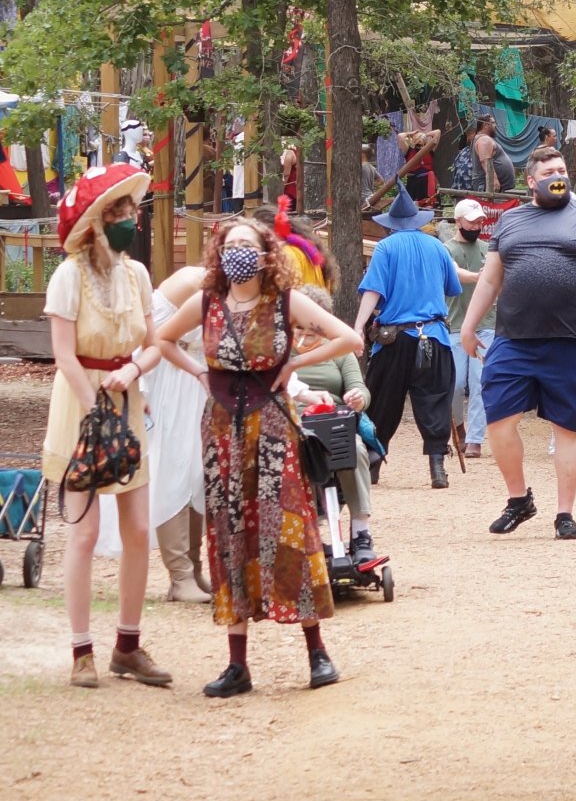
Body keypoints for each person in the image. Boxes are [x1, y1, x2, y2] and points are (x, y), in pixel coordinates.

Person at [154, 217, 365, 695]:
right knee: (231, 533)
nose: (239, 253)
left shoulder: (285, 302)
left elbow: (349, 339)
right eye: (231, 245)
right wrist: (199, 373)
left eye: (248, 245)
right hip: (223, 430)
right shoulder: (206, 301)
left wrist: (294, 362)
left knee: (289, 528)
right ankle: (237, 664)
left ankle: (317, 652)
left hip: (272, 428)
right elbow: (161, 339)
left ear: (267, 252)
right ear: (218, 253)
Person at [459, 146, 576, 541]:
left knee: (566, 429)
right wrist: (469, 327)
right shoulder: (511, 221)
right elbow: (489, 279)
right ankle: (519, 499)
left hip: (570, 341)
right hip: (514, 339)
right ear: (531, 181)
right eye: (550, 171)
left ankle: (564, 513)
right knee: (499, 418)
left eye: (563, 170)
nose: (560, 176)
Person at [43, 164, 168, 688]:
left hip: (126, 399)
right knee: (85, 531)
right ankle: (81, 652)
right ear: (96, 220)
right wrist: (94, 404)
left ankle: (128, 646)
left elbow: (155, 343)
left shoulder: (136, 274)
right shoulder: (69, 275)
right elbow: (63, 354)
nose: (129, 219)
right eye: (118, 211)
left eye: (130, 210)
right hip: (81, 408)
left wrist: (133, 371)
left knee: (139, 528)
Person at [355, 187, 461, 490]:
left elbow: (374, 291)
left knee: (382, 402)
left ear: (391, 223)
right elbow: (451, 288)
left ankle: (374, 462)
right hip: (435, 336)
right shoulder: (438, 247)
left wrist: (358, 325)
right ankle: (437, 466)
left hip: (395, 339)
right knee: (436, 400)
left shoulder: (386, 248)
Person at [286, 285, 383, 569]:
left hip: (333, 420)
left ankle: (360, 532)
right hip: (294, 421)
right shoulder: (280, 350)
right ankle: (307, 534)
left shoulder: (339, 352)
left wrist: (356, 398)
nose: (307, 335)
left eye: (314, 328)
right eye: (300, 327)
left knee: (353, 449)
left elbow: (361, 390)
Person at [139, 263, 210, 602]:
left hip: (197, 381)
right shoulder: (190, 282)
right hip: (168, 379)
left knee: (197, 472)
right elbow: (147, 333)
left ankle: (195, 568)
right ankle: (179, 575)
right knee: (173, 469)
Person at [445, 199, 491, 458]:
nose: (477, 225)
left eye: (480, 221)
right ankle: (459, 426)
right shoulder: (446, 249)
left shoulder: (488, 249)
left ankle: (475, 438)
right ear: (458, 221)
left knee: (480, 381)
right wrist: (477, 277)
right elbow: (453, 273)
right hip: (454, 324)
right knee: (455, 383)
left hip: (487, 325)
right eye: (472, 221)